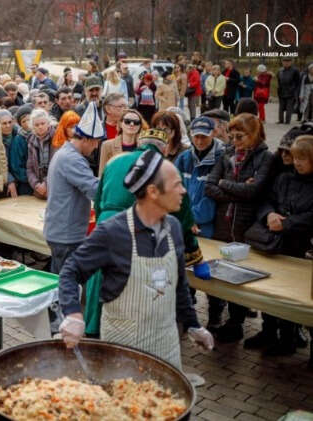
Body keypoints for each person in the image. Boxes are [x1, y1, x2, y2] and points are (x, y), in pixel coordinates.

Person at [59, 149, 214, 368]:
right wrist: (73, 314)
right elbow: (70, 270)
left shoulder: (175, 228)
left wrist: (192, 324)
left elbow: (179, 285)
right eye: (176, 185)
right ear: (153, 191)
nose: (183, 191)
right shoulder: (113, 232)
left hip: (165, 347)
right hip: (123, 349)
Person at [204, 113, 273, 342]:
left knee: (241, 276)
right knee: (217, 271)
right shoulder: (227, 154)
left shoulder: (265, 158)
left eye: (240, 136)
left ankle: (236, 322)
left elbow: (255, 192)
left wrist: (227, 185)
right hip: (223, 224)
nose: (235, 141)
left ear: (253, 134)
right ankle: (215, 317)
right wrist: (237, 187)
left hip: (246, 225)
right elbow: (210, 187)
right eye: (232, 137)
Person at [242, 135, 313, 355]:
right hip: (273, 244)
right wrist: (269, 215)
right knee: (270, 290)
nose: (297, 162)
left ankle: (289, 338)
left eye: (303, 158)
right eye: (296, 157)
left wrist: (288, 224)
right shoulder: (283, 178)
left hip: (298, 247)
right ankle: (269, 331)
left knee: (292, 295)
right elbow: (266, 201)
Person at [174, 116, 226, 329]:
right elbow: (174, 187)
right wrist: (185, 220)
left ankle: (215, 314)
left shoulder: (220, 159)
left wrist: (192, 219)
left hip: (207, 227)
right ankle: (187, 314)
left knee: (210, 273)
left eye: (204, 136)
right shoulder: (184, 158)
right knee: (185, 272)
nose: (200, 140)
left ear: (213, 133)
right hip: (186, 226)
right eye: (196, 135)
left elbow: (211, 196)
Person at [44, 103, 101, 274]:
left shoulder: (66, 153)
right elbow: (95, 190)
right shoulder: (72, 159)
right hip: (66, 235)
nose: (96, 147)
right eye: (96, 142)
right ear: (86, 139)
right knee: (66, 285)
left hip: (62, 232)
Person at [98, 109, 145, 176]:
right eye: (127, 121)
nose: (132, 124)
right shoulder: (107, 145)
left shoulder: (144, 147)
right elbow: (102, 174)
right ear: (120, 124)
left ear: (140, 126)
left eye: (136, 122)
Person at [26, 109, 57, 200]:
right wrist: (36, 185)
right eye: (37, 125)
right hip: (39, 191)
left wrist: (46, 183)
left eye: (43, 123)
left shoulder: (57, 138)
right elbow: (29, 168)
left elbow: (57, 167)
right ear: (33, 127)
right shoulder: (31, 141)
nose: (40, 127)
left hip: (56, 188)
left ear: (48, 123)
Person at [0, 110, 28, 197]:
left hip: (22, 179)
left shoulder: (20, 135)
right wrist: (10, 180)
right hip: (6, 180)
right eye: (4, 123)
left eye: (10, 122)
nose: (8, 126)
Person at [277, 58, 301, 125]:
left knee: (289, 107)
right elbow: (278, 80)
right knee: (281, 107)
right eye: (284, 61)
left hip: (291, 92)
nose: (286, 63)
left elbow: (298, 82)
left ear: (291, 62)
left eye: (288, 61)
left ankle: (287, 121)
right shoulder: (280, 70)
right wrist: (279, 89)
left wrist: (295, 91)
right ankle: (280, 120)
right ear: (282, 62)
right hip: (281, 91)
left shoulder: (295, 70)